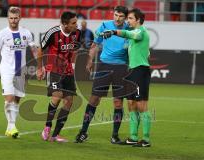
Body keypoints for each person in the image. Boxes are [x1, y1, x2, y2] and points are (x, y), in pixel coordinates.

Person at [75, 6, 131, 144]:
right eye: (116, 15)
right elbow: (95, 44)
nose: (117, 18)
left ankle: (115, 135)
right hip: (104, 66)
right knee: (94, 99)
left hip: (121, 68)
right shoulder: (105, 25)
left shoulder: (129, 30)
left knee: (118, 102)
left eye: (121, 16)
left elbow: (132, 48)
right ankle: (83, 132)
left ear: (125, 17)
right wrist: (89, 60)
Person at [101, 8, 151, 147]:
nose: (127, 21)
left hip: (140, 71)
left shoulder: (141, 31)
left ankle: (146, 140)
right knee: (131, 105)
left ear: (138, 20)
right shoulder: (134, 36)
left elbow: (128, 33)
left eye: (130, 18)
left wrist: (113, 32)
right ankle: (133, 137)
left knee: (142, 105)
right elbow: (145, 51)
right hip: (132, 72)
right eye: (127, 18)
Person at [0, 6, 38, 138]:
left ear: (20, 18)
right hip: (7, 70)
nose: (13, 20)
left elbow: (34, 49)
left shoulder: (26, 33)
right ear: (7, 18)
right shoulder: (2, 34)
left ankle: (10, 127)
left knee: (17, 99)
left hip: (21, 71)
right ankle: (12, 126)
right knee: (9, 98)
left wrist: (40, 66)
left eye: (16, 18)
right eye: (11, 18)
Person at [37, 11, 81, 142]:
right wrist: (40, 68)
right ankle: (47, 126)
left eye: (76, 22)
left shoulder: (77, 33)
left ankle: (56, 134)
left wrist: (72, 64)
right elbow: (40, 49)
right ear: (65, 24)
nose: (76, 25)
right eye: (73, 23)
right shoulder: (53, 33)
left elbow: (75, 49)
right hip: (54, 69)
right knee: (57, 96)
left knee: (69, 102)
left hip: (68, 71)